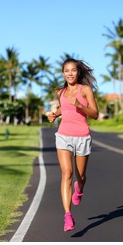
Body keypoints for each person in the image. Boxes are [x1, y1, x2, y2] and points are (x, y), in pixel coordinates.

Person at [47, 58, 99, 232]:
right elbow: (63, 107)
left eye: (73, 70)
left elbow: (95, 114)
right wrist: (55, 115)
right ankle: (67, 215)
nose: (70, 73)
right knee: (66, 173)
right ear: (63, 73)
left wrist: (80, 105)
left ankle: (79, 188)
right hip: (63, 136)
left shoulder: (85, 90)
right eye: (66, 71)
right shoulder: (60, 92)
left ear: (78, 72)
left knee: (80, 176)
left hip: (82, 137)